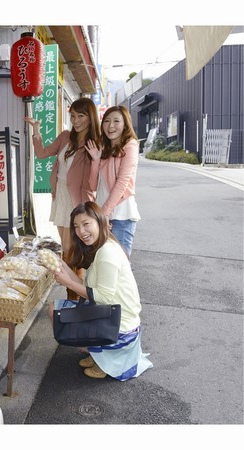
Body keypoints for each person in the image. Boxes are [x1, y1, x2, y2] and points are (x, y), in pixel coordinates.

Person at [50, 201, 153, 380]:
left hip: (118, 325)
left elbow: (103, 298)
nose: (81, 231)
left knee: (57, 313)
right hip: (113, 314)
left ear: (100, 222)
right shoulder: (103, 246)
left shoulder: (107, 253)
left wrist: (69, 282)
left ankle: (104, 357)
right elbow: (89, 287)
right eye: (76, 226)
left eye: (86, 224)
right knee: (56, 309)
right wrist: (63, 267)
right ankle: (99, 353)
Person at [24, 97, 101, 298]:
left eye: (81, 116)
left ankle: (74, 295)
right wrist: (36, 130)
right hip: (60, 197)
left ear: (90, 117)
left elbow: (93, 184)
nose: (76, 121)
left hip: (78, 202)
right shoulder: (66, 136)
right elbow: (42, 154)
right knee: (69, 250)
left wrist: (95, 161)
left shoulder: (94, 144)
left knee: (70, 251)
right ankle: (78, 294)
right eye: (73, 116)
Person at [86, 106, 141, 256]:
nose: (110, 126)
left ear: (125, 124)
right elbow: (92, 186)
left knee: (120, 267)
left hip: (120, 216)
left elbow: (122, 182)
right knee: (103, 265)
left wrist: (104, 214)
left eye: (116, 121)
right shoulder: (103, 149)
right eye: (107, 121)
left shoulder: (130, 145)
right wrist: (96, 160)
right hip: (102, 215)